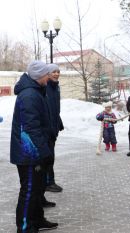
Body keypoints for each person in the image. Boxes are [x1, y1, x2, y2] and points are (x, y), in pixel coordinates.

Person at [10, 61, 58, 233]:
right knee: (29, 191)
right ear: (39, 76)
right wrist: (44, 152)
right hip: (28, 153)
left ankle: (36, 220)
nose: (49, 76)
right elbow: (31, 128)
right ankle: (24, 227)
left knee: (37, 190)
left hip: (34, 150)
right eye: (47, 74)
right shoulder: (29, 95)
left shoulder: (36, 91)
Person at [45, 63, 64, 193]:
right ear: (48, 73)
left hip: (53, 126)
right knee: (47, 157)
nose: (56, 74)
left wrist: (58, 122)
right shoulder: (45, 87)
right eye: (53, 72)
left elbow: (55, 109)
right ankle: (48, 182)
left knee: (50, 156)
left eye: (58, 71)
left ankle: (49, 181)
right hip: (46, 129)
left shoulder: (56, 87)